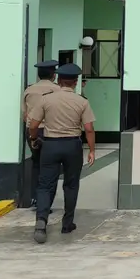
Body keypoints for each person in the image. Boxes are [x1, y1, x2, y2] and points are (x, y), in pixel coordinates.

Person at [28, 63, 97, 243]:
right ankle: (67, 223)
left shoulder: (46, 100)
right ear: (75, 82)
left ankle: (41, 221)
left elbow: (33, 125)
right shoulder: (82, 102)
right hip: (72, 145)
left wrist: (34, 139)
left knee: (45, 185)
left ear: (59, 81)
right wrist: (92, 150)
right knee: (71, 184)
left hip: (50, 145)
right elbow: (89, 129)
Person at [22, 59, 59, 208]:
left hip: (33, 131)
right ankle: (47, 200)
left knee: (36, 163)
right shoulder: (58, 90)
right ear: (53, 75)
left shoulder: (29, 91)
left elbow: (25, 115)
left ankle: (35, 197)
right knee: (51, 167)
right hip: (52, 133)